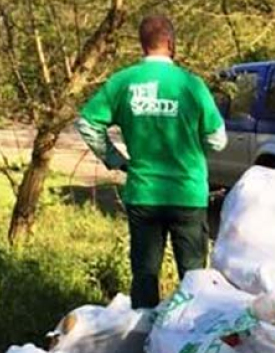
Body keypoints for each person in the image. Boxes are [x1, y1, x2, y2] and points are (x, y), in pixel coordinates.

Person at [76, 14, 227, 308]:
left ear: (142, 43)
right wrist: (193, 150)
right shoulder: (191, 85)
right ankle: (189, 330)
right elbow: (217, 140)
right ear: (170, 43)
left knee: (145, 275)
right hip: (187, 193)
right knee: (194, 279)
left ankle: (144, 330)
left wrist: (115, 159)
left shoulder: (122, 82)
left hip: (144, 193)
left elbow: (87, 124)